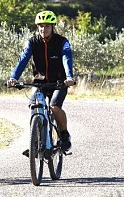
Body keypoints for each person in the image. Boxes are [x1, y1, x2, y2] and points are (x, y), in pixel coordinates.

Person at [7, 10, 75, 151]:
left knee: (55, 107)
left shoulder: (62, 42)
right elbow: (23, 60)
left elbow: (66, 58)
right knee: (33, 104)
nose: (43, 29)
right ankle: (35, 141)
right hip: (39, 82)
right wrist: (14, 77)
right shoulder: (32, 42)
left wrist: (69, 77)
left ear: (53, 27)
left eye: (47, 26)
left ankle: (64, 134)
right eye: (40, 26)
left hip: (59, 82)